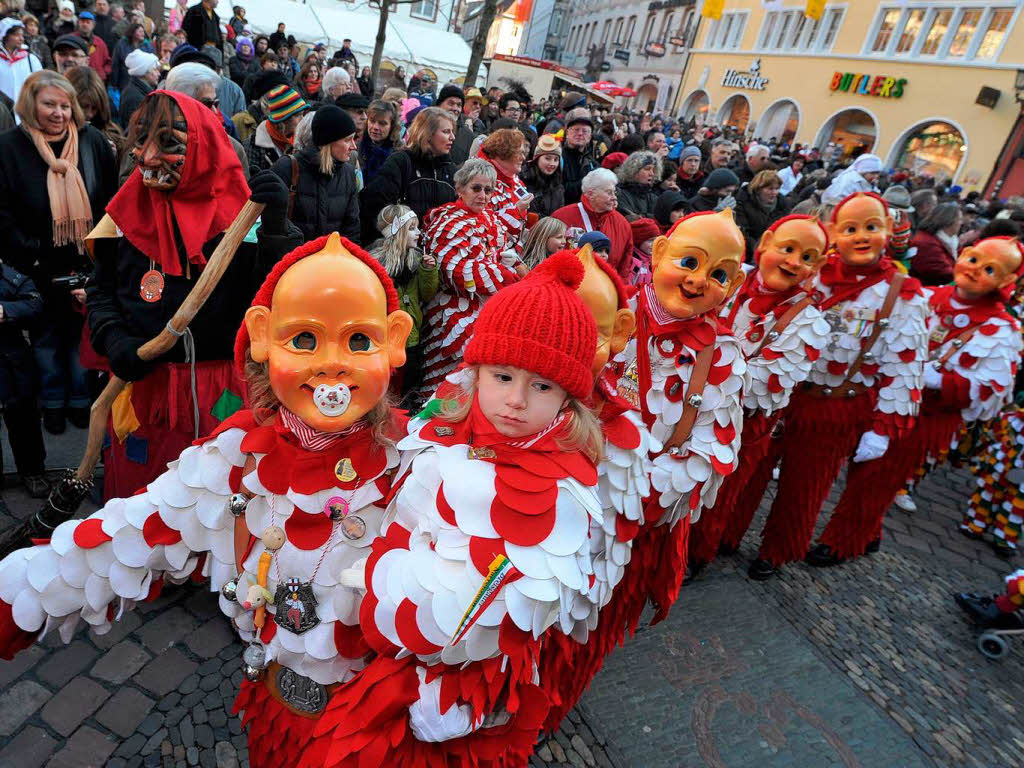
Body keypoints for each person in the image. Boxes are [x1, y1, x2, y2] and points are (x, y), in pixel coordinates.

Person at [0, 232, 416, 765]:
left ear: (394, 341)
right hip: (278, 706)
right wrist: (21, 598)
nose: (332, 365)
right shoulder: (236, 457)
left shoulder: (418, 463)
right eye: (304, 341)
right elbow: (134, 533)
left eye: (359, 341)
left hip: (383, 730)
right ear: (263, 339)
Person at [349, 252, 605, 764]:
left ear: (567, 399)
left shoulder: (565, 492)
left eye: (542, 385)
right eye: (503, 377)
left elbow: (518, 608)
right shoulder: (445, 426)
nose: (515, 401)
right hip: (386, 638)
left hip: (461, 675)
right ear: (477, 371)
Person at [86, 90, 302, 499]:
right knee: (140, 506)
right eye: (141, 140)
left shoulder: (243, 219)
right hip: (143, 391)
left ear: (202, 147)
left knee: (212, 504)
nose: (146, 157)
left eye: (167, 143)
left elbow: (274, 300)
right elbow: (101, 289)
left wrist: (276, 229)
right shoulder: (122, 214)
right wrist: (113, 338)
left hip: (221, 393)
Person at [807, 237, 1023, 567]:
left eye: (990, 269)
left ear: (1006, 281)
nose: (976, 270)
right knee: (863, 469)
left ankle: (842, 542)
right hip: (887, 398)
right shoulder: (927, 296)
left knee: (878, 477)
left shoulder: (1004, 330)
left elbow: (992, 388)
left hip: (928, 417)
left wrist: (940, 380)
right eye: (974, 259)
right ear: (962, 255)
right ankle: (869, 532)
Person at [744, 192, 928, 579]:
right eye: (850, 229)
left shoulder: (902, 293)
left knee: (805, 485)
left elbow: (905, 366)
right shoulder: (812, 269)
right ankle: (727, 534)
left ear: (889, 231)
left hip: (837, 405)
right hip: (785, 391)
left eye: (871, 227)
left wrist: (883, 429)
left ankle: (776, 551)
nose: (861, 237)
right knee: (750, 471)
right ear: (834, 233)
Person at [615, 209, 747, 621]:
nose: (697, 280)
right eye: (688, 262)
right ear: (658, 254)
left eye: (719, 275)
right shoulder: (613, 308)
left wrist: (647, 493)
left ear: (735, 286)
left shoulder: (723, 354)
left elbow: (713, 447)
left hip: (642, 509)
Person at [689, 215, 831, 577]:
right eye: (787, 248)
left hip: (741, 425)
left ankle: (695, 557)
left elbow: (763, 386)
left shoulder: (808, 322)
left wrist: (701, 371)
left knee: (718, 496)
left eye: (808, 257)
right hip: (690, 405)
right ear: (765, 242)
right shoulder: (731, 280)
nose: (794, 261)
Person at [0, 71, 116, 435]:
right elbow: (2, 212)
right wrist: (32, 253)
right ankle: (51, 403)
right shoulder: (9, 147)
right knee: (47, 341)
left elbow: (110, 201)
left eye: (65, 106)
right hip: (33, 265)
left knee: (81, 337)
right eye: (49, 104)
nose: (59, 113)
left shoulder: (92, 141)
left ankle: (81, 402)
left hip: (86, 262)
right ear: (30, 105)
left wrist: (102, 255)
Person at [414, 158, 518, 402]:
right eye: (476, 188)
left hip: (487, 306)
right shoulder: (447, 221)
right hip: (452, 309)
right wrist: (509, 277)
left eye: (488, 190)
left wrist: (512, 265)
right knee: (448, 379)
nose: (482, 195)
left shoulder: (492, 220)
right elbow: (457, 271)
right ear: (460, 189)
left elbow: (501, 253)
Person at [368, 204, 438, 397]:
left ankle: (405, 412)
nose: (419, 233)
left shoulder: (416, 259)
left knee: (409, 377)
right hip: (385, 333)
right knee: (387, 380)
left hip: (412, 332)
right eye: (412, 228)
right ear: (398, 232)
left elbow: (427, 294)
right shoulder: (375, 264)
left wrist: (428, 271)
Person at [359, 106, 456, 245]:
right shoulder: (401, 162)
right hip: (401, 250)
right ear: (427, 134)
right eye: (446, 132)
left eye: (452, 131)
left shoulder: (449, 168)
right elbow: (377, 208)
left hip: (435, 253)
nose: (452, 137)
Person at [270, 105, 359, 242]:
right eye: (347, 140)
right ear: (329, 141)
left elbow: (351, 231)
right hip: (292, 259)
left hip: (331, 260)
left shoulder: (348, 174)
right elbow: (272, 226)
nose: (353, 146)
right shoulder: (287, 167)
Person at [0, 259, 48, 498]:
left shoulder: (10, 276)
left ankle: (32, 472)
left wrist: (5, 310)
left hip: (12, 360)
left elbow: (36, 305)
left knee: (24, 420)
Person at [553, 168, 634, 282]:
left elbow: (625, 266)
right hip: (570, 288)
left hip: (606, 292)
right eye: (608, 192)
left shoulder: (622, 224)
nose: (614, 197)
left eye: (614, 192)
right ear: (591, 194)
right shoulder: (562, 217)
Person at [478, 128, 532, 253]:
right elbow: (482, 224)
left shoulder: (515, 180)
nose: (523, 158)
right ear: (503, 152)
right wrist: (515, 211)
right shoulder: (480, 180)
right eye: (519, 153)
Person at [66, 65, 126, 162]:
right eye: (83, 107)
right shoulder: (57, 134)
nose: (89, 114)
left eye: (94, 108)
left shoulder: (112, 135)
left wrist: (112, 159)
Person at [246, 83, 307, 176]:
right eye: (298, 115)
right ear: (283, 120)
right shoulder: (254, 146)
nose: (302, 119)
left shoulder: (302, 141)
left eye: (303, 114)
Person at [734, 169, 789, 260]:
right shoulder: (743, 202)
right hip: (747, 253)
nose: (774, 192)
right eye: (770, 189)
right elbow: (743, 231)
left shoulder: (783, 205)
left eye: (777, 188)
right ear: (759, 188)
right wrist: (757, 249)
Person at [909, 202, 963, 286]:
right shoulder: (927, 243)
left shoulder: (948, 240)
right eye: (959, 219)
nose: (961, 223)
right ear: (949, 221)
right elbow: (944, 274)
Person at [562, 107, 600, 205]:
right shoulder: (558, 157)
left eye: (585, 131)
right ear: (567, 133)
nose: (580, 134)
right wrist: (587, 181)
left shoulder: (593, 163)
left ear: (590, 136)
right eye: (576, 130)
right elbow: (559, 189)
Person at [0, 19, 42, 107]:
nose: (21, 39)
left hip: (24, 111)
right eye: (16, 35)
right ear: (4, 36)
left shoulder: (31, 59)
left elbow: (40, 85)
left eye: (22, 35)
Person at [520, 134, 563, 218]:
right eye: (547, 158)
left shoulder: (558, 185)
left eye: (556, 160)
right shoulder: (524, 180)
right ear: (537, 158)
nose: (552, 164)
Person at [359, 98, 396, 186]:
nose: (375, 127)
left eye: (382, 123)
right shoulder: (356, 148)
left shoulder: (399, 153)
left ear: (392, 126)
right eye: (372, 121)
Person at [117, 48, 158, 127]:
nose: (158, 74)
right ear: (145, 72)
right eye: (155, 70)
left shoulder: (140, 91)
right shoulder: (134, 97)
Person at [615, 151, 661, 220]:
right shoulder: (620, 195)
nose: (651, 174)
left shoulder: (652, 197)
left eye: (653, 170)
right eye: (647, 169)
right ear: (633, 171)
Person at [110, 22, 150, 94]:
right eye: (140, 31)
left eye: (143, 31)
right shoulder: (122, 44)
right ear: (133, 32)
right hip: (124, 81)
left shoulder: (147, 45)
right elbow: (115, 64)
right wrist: (114, 83)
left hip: (142, 82)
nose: (143, 34)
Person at [73, 11, 111, 83]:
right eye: (82, 22)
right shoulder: (71, 39)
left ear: (93, 25)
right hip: (76, 80)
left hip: (96, 82)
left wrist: (103, 73)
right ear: (78, 23)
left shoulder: (100, 42)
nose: (85, 24)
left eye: (88, 22)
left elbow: (108, 62)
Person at [627, 217, 659, 285]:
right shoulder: (632, 263)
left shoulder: (652, 261)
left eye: (656, 240)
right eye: (650, 240)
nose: (654, 244)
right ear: (639, 241)